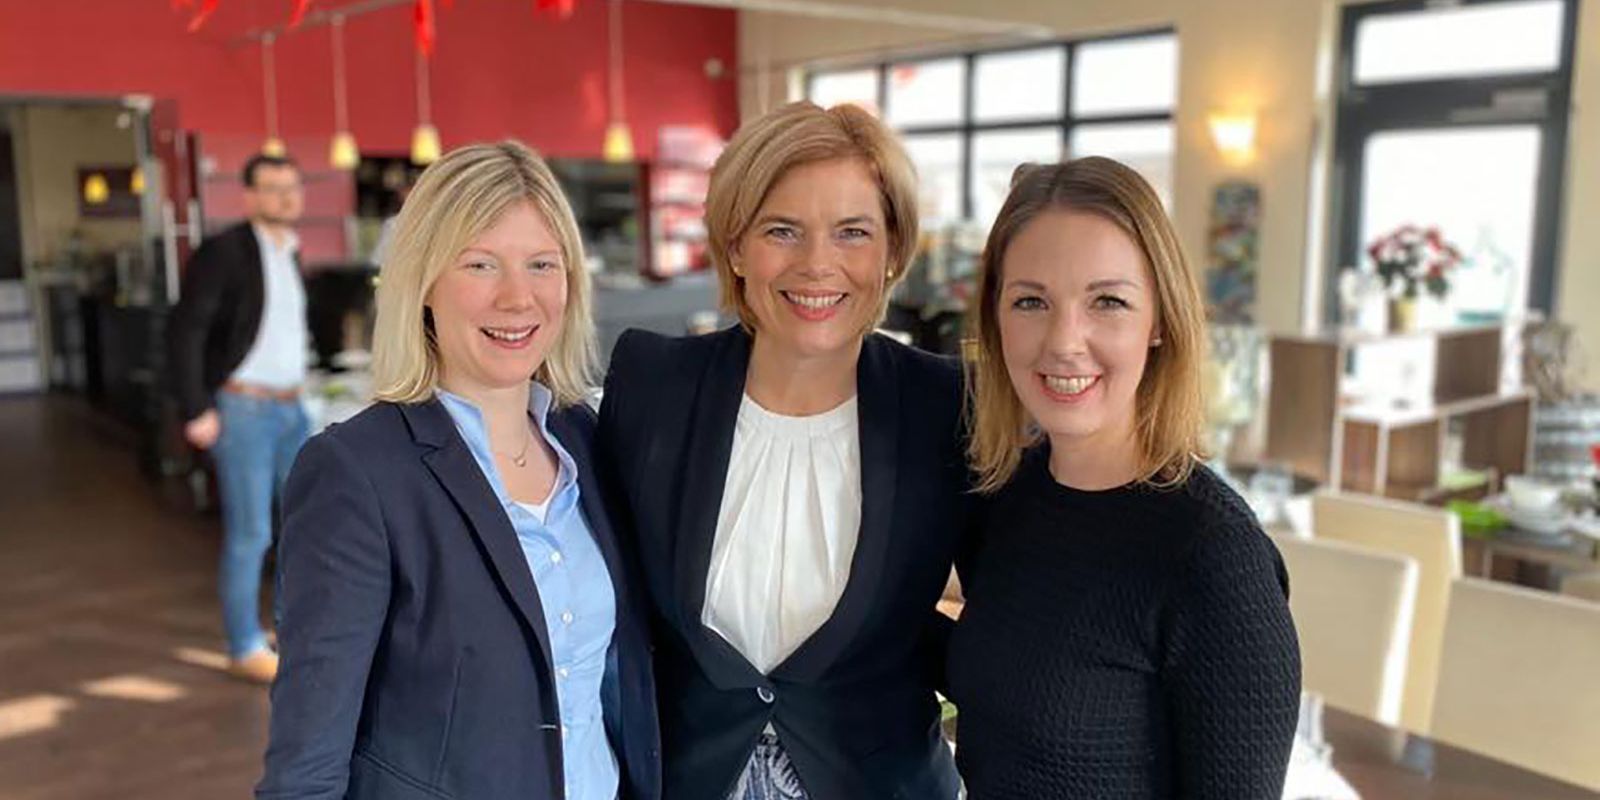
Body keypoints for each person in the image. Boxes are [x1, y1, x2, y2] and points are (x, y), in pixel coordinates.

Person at [258, 141, 660, 800]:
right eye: (480, 264)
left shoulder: (585, 441)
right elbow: (307, 761)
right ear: (423, 283)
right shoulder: (354, 472)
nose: (518, 297)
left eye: (542, 264)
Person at [598, 100, 972, 799]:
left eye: (853, 232)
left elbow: (1009, 617)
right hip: (684, 781)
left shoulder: (946, 405)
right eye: (782, 230)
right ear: (736, 246)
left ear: (893, 251)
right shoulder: (651, 386)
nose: (817, 264)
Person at [946, 157, 1301, 798]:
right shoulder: (1005, 501)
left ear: (1159, 319)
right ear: (996, 318)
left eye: (1107, 301)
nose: (1064, 341)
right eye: (1031, 301)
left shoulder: (1216, 559)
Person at [167, 152, 311, 684]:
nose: (286, 197)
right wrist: (195, 407)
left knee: (301, 527)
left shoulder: (291, 250)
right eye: (273, 188)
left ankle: (290, 632)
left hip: (293, 408)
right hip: (244, 408)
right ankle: (243, 645)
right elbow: (186, 329)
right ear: (249, 196)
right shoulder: (225, 251)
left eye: (292, 187)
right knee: (251, 534)